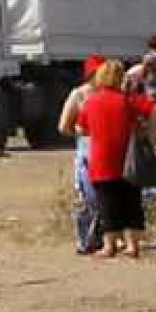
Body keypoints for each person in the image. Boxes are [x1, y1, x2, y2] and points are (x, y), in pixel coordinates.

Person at [76, 61, 156, 260]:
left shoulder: (91, 101)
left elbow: (81, 128)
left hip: (101, 160)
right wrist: (151, 132)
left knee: (107, 204)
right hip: (128, 159)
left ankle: (109, 246)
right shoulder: (128, 100)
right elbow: (155, 109)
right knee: (131, 201)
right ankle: (132, 246)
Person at [58, 55, 106, 254]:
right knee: (88, 197)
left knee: (105, 196)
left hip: (106, 149)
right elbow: (63, 126)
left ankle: (100, 238)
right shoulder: (79, 94)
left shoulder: (109, 93)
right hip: (87, 150)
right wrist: (82, 133)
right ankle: (84, 240)